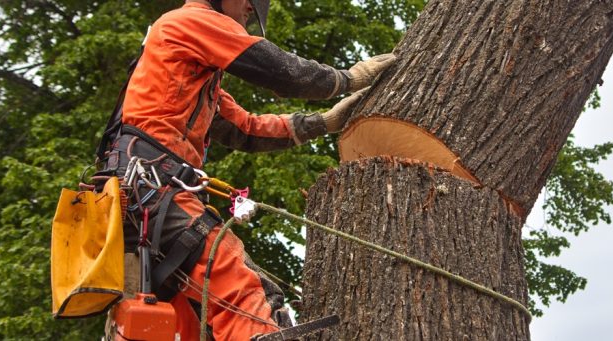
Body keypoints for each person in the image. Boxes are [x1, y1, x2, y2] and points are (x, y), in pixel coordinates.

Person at [93, 0, 396, 339]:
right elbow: (280, 70)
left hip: (140, 199)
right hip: (153, 188)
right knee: (248, 296)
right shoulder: (193, 21)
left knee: (189, 325)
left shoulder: (187, 64)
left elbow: (244, 128)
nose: (251, 9)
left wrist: (320, 123)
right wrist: (347, 78)